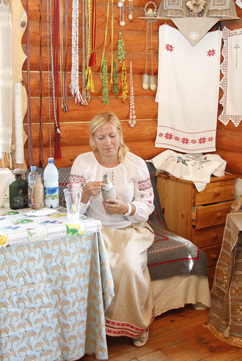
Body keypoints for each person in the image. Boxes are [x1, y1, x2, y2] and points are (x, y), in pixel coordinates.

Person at [68, 111, 155, 347]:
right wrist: (85, 194)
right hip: (95, 230)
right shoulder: (83, 163)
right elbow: (73, 212)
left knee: (129, 266)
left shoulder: (136, 164)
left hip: (130, 228)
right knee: (94, 265)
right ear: (93, 139)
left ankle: (137, 325)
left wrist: (127, 208)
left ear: (120, 134)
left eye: (112, 136)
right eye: (101, 137)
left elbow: (148, 206)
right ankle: (94, 327)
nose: (108, 143)